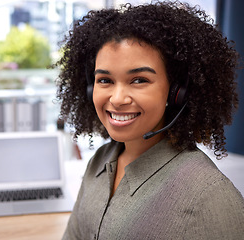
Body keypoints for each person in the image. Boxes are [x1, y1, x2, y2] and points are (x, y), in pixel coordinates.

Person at [55, 1, 244, 239]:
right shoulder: (100, 162)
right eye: (105, 80)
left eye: (139, 80)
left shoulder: (210, 196)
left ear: (177, 92)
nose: (118, 98)